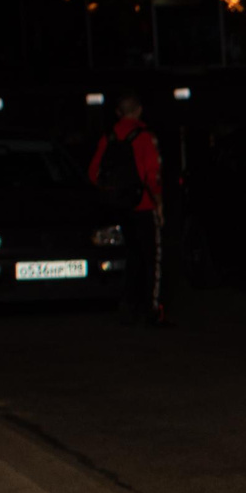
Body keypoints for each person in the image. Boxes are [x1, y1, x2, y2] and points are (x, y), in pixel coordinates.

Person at [89, 94, 168, 325]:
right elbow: (152, 174)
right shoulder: (144, 137)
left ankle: (129, 303)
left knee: (131, 254)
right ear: (140, 110)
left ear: (118, 113)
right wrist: (159, 203)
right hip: (142, 204)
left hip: (119, 208)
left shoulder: (109, 137)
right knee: (152, 257)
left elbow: (93, 173)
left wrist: (113, 191)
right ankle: (151, 309)